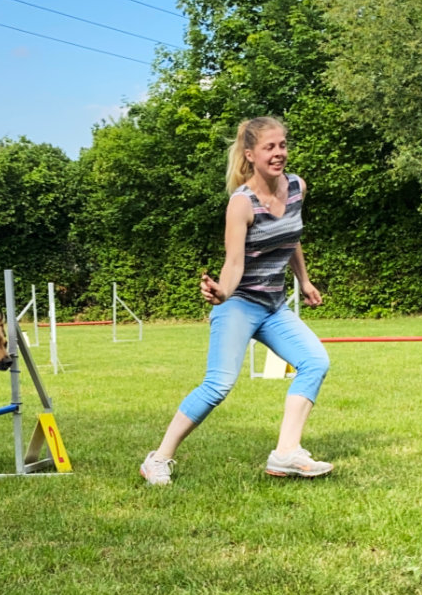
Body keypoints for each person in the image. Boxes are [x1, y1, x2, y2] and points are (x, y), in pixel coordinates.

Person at [139, 116, 332, 485]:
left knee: (315, 362)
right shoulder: (241, 203)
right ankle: (158, 459)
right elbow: (233, 262)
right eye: (269, 147)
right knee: (218, 385)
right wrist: (222, 293)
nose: (279, 153)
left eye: (282, 145)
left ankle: (286, 452)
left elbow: (290, 238)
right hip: (239, 303)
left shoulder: (296, 188)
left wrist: (303, 280)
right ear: (250, 154)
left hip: (274, 304)